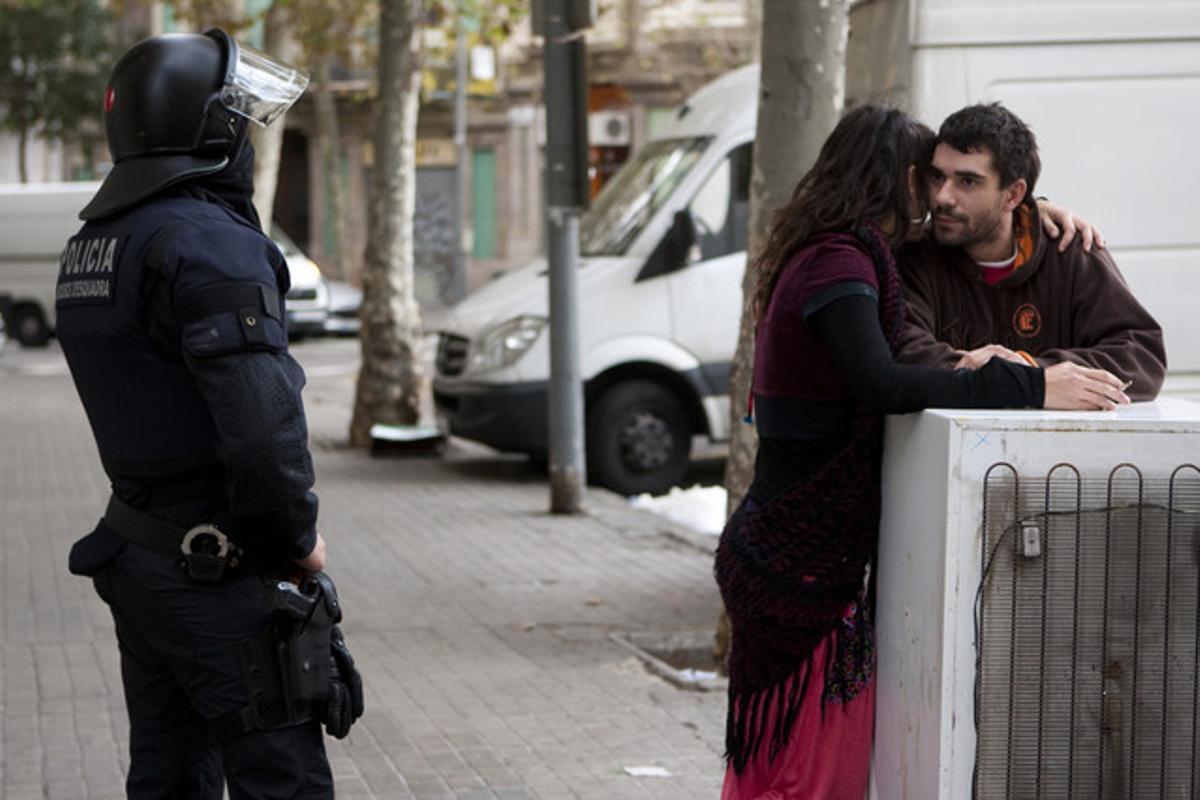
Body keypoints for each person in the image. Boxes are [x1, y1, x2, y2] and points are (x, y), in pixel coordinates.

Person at [713, 105, 1130, 800]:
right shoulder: (839, 263)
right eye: (929, 178)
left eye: (958, 180)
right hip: (801, 565)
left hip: (797, 553)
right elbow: (883, 381)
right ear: (899, 178)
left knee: (779, 770)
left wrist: (1041, 211)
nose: (939, 197)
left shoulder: (834, 250)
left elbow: (990, 221)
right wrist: (1028, 385)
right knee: (807, 778)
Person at [56, 30, 359, 798]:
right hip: (220, 578)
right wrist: (298, 542)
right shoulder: (210, 243)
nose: (247, 133)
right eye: (239, 115)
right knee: (281, 785)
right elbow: (263, 433)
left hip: (142, 557)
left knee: (169, 779)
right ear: (207, 128)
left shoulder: (98, 242)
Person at [896, 103, 1167, 399]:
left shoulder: (1069, 250)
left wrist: (1033, 368)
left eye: (967, 182)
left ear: (1013, 195)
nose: (942, 197)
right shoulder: (914, 256)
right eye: (937, 177)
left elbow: (1141, 355)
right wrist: (1020, 381)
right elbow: (902, 354)